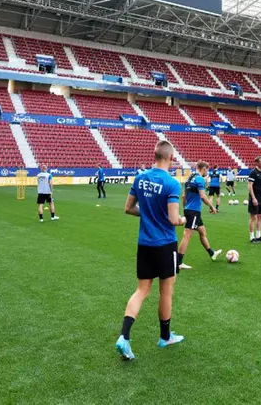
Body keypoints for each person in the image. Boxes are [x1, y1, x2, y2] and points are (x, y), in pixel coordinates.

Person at [115, 141, 186, 361]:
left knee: (141, 290)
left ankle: (124, 336)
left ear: (155, 155)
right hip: (164, 244)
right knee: (166, 291)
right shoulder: (172, 183)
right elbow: (174, 219)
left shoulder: (140, 178)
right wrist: (183, 219)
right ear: (171, 157)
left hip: (145, 243)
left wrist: (147, 215)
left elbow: (128, 208)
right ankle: (165, 336)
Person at [178, 161, 221, 270]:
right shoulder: (200, 179)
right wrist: (212, 207)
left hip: (189, 209)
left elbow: (183, 196)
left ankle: (212, 253)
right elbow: (202, 196)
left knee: (202, 231)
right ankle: (178, 262)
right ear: (204, 168)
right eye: (207, 169)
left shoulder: (189, 178)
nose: (207, 171)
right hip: (194, 211)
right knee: (187, 235)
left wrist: (185, 209)